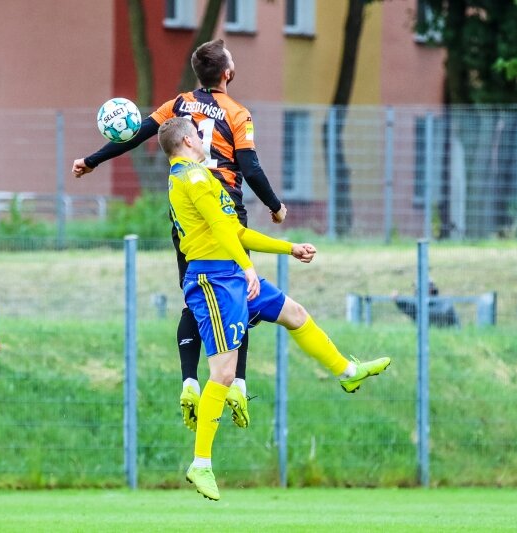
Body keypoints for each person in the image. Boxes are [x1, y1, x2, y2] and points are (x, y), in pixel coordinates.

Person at [157, 116, 391, 501]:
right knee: (224, 373)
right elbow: (222, 230)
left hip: (231, 272)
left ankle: (347, 372)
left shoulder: (197, 177)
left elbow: (236, 232)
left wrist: (289, 248)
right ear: (185, 141)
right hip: (213, 280)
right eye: (198, 134)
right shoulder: (193, 179)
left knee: (294, 314)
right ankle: (200, 463)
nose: (203, 138)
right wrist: (247, 267)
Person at [73, 39, 287, 432]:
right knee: (238, 293)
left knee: (195, 296)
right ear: (227, 73)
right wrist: (275, 206)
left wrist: (92, 160)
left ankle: (190, 380)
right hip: (222, 205)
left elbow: (137, 133)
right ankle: (237, 384)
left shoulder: (178, 104)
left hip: (185, 209)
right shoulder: (237, 113)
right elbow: (251, 168)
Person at [391, 280, 460, 328]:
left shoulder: (444, 304)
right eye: (416, 289)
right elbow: (408, 307)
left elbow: (436, 314)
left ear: (430, 289)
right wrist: (398, 299)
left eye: (419, 289)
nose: (416, 291)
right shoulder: (418, 305)